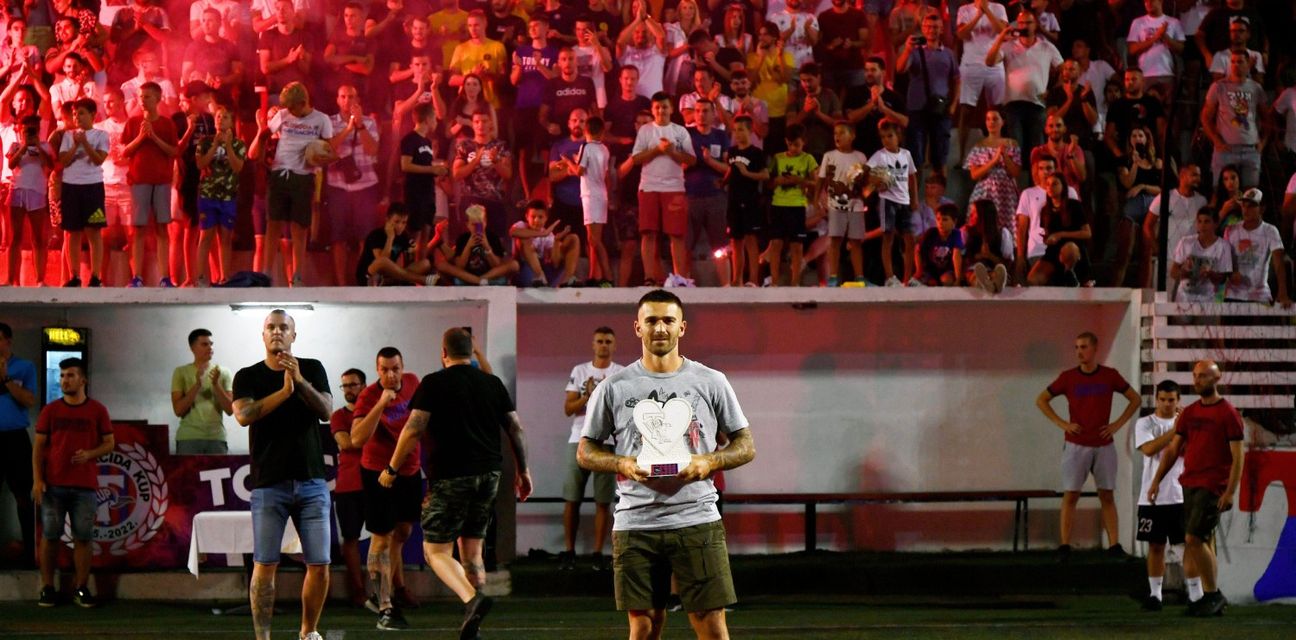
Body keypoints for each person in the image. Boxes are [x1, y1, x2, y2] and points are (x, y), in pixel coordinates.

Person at [577, 289, 756, 640]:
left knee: (711, 625)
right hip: (635, 523)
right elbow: (585, 451)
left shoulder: (711, 381)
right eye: (652, 321)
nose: (660, 328)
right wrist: (622, 464)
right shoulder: (613, 387)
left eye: (668, 320)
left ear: (682, 327)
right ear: (638, 328)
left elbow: (746, 445)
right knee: (644, 627)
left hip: (697, 520)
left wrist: (710, 461)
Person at [382, 327, 534, 640]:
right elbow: (516, 428)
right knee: (472, 551)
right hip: (489, 476)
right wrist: (524, 470)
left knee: (435, 552)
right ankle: (474, 625)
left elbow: (413, 429)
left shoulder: (433, 383)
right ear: (470, 351)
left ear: (444, 353)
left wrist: (392, 468)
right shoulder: (491, 383)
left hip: (451, 476)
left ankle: (471, 599)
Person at [232, 310, 333, 640]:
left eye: (284, 327)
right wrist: (284, 392)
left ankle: (308, 633)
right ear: (263, 335)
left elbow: (327, 411)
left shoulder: (312, 368)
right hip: (269, 484)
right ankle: (263, 637)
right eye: (271, 327)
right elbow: (244, 415)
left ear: (294, 335)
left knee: (319, 564)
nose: (277, 332)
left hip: (311, 481)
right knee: (265, 564)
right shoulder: (248, 376)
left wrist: (299, 382)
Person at [1148, 360, 1244, 617]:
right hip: (1189, 483)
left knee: (1193, 538)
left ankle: (1213, 595)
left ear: (1217, 378)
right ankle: (1208, 596)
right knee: (1200, 541)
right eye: (1195, 375)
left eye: (1203, 376)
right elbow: (1173, 450)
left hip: (1212, 485)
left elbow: (1238, 456)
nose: (1198, 380)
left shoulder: (1228, 413)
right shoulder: (1190, 413)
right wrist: (1157, 480)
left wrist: (1230, 491)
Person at [1035, 331, 1141, 560]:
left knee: (1107, 495)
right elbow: (1041, 399)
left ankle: (1114, 545)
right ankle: (1065, 545)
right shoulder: (1068, 377)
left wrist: (1117, 425)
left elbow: (1135, 399)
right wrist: (1062, 423)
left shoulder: (1110, 376)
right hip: (1076, 445)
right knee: (1071, 495)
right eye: (1076, 347)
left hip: (1104, 445)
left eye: (1083, 347)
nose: (1079, 352)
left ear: (1095, 349)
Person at [33, 357, 113, 608]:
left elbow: (109, 443)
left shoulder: (98, 410)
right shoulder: (50, 410)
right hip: (53, 485)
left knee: (83, 537)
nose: (65, 380)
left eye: (70, 375)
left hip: (85, 486)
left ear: (83, 380)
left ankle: (81, 588)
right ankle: (47, 587)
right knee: (50, 536)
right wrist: (37, 479)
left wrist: (90, 454)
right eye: (62, 375)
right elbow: (38, 448)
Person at [351, 347, 422, 630]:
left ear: (403, 368)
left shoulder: (414, 383)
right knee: (381, 537)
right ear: (377, 370)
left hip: (409, 469)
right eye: (385, 370)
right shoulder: (368, 396)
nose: (391, 375)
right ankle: (384, 603)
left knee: (403, 532)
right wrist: (381, 403)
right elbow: (356, 439)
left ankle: (390, 587)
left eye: (395, 369)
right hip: (378, 473)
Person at [559, 327, 624, 571]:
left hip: (606, 442)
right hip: (579, 439)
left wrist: (601, 396)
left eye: (608, 341)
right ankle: (569, 551)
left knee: (603, 501)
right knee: (572, 498)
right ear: (593, 344)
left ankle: (597, 552)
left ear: (614, 345)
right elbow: (568, 409)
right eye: (600, 341)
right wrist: (588, 396)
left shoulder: (620, 373)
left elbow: (622, 409)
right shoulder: (580, 371)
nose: (604, 345)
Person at [266, 82, 334, 287]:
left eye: (292, 107)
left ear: (303, 103)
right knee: (273, 225)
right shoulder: (283, 115)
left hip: (304, 176)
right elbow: (265, 135)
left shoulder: (322, 119)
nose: (289, 110)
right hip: (280, 173)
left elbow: (329, 149)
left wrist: (319, 158)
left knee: (300, 227)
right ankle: (266, 273)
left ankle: (297, 276)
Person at [631, 92, 695, 286]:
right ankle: (649, 278)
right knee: (648, 233)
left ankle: (680, 279)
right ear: (652, 110)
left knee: (676, 234)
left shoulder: (680, 131)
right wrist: (657, 150)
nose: (661, 110)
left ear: (672, 109)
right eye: (657, 107)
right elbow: (636, 159)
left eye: (665, 107)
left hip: (674, 187)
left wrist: (672, 152)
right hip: (649, 187)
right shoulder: (645, 131)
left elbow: (691, 159)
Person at [985, 9, 1062, 167]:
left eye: (1028, 23)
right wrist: (1001, 37)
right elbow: (989, 61)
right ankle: (1017, 181)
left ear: (1035, 25)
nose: (1024, 26)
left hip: (1037, 104)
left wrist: (1052, 91)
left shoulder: (1046, 47)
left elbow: (1063, 69)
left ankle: (1037, 181)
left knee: (1037, 148)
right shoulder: (1008, 46)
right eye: (1021, 23)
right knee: (1015, 147)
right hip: (1013, 104)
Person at [1134, 379, 1184, 612]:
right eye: (1162, 399)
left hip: (1179, 493)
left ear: (1178, 400)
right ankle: (1155, 594)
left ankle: (1196, 592)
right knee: (1155, 545)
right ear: (1156, 400)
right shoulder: (1145, 423)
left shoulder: (1187, 422)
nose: (1166, 404)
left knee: (1186, 546)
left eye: (1171, 400)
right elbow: (1148, 449)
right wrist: (1175, 431)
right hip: (1152, 496)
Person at [121, 83, 177, 288]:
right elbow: (124, 151)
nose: (143, 101)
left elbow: (174, 151)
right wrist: (141, 137)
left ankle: (165, 277)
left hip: (161, 181)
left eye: (147, 97)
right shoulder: (133, 122)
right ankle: (137, 277)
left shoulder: (167, 124)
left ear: (158, 99)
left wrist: (154, 137)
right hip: (139, 180)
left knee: (162, 228)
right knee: (139, 229)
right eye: (140, 97)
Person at [325, 85, 380, 287]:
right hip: (337, 185)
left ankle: (362, 282)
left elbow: (373, 150)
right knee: (338, 237)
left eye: (351, 97)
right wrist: (348, 128)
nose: (347, 100)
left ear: (358, 100)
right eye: (343, 97)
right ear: (337, 99)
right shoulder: (329, 122)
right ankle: (341, 285)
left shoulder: (369, 122)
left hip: (365, 185)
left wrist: (360, 125)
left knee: (366, 237)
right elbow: (327, 147)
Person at [896, 13, 957, 175]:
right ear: (922, 29)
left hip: (940, 108)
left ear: (941, 29)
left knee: (940, 156)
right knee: (915, 156)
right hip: (917, 107)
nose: (931, 30)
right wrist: (907, 50)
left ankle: (940, 189)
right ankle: (915, 190)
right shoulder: (914, 51)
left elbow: (957, 79)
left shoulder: (948, 53)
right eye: (928, 27)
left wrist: (953, 104)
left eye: (935, 27)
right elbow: (900, 68)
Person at [58, 98, 109, 288]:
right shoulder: (68, 135)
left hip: (92, 185)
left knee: (94, 231)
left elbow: (98, 159)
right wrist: (75, 145)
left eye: (81, 113)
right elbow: (63, 161)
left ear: (92, 115)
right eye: (74, 114)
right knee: (73, 232)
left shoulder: (101, 135)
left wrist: (85, 143)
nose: (77, 117)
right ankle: (75, 276)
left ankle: (96, 276)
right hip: (71, 186)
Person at [1201, 50, 1270, 191]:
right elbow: (1206, 117)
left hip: (1250, 148)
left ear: (1248, 64)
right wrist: (1216, 140)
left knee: (1251, 193)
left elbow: (1268, 118)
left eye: (1240, 61)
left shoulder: (1256, 88)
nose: (1235, 65)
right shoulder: (1219, 86)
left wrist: (1263, 142)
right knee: (1219, 190)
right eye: (1232, 62)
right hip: (1226, 148)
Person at [194, 105, 246, 287]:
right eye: (218, 117)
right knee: (205, 236)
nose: (220, 120)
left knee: (225, 237)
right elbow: (200, 164)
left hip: (228, 196)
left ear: (231, 122)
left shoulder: (239, 144)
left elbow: (238, 167)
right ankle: (201, 277)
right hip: (208, 195)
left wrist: (228, 146)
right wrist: (215, 145)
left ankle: (224, 277)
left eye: (225, 117)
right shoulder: (204, 142)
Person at [0, 322, 37, 569]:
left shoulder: (24, 367)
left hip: (15, 439)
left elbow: (29, 400)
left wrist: (5, 378)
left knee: (24, 496)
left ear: (8, 341)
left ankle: (30, 553)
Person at [330, 367, 368, 608]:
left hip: (376, 483)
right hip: (348, 485)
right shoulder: (338, 416)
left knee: (388, 537)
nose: (348, 389)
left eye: (353, 384)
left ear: (364, 386)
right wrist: (367, 438)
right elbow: (346, 443)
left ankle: (392, 589)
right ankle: (358, 590)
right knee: (350, 538)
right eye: (344, 385)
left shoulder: (376, 412)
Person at [865, 119, 918, 286]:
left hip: (904, 201)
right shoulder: (880, 155)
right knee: (888, 237)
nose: (886, 140)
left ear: (898, 136)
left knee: (909, 239)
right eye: (883, 137)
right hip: (887, 200)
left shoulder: (906, 154)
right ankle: (890, 277)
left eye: (890, 136)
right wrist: (876, 182)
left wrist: (915, 198)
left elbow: (912, 177)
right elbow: (866, 172)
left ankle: (908, 279)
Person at [818, 122, 869, 286]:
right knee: (835, 240)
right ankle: (833, 277)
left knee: (856, 241)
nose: (837, 136)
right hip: (835, 204)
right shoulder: (829, 156)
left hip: (856, 204)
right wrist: (817, 198)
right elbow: (821, 179)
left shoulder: (860, 157)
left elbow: (865, 181)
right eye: (835, 133)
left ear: (852, 136)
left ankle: (859, 276)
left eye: (841, 133)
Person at [768, 124, 817, 287]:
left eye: (797, 144)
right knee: (776, 244)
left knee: (797, 245)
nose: (793, 148)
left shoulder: (808, 159)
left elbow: (816, 183)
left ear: (804, 142)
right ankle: (774, 281)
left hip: (797, 205)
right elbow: (767, 182)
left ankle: (795, 281)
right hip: (778, 204)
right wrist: (777, 181)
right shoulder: (777, 158)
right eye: (790, 144)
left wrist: (799, 180)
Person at [1144, 165, 1206, 292]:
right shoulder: (1165, 197)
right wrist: (1158, 250)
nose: (1198, 179)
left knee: (1187, 301)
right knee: (1163, 300)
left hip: (1191, 263)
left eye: (1199, 176)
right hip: (1168, 260)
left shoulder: (1201, 201)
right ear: (1182, 175)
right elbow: (1147, 225)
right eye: (1194, 175)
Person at [171, 329, 233, 454]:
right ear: (192, 348)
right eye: (205, 344)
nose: (210, 347)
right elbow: (178, 410)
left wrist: (216, 384)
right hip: (188, 438)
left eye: (211, 344)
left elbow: (230, 410)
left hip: (216, 438)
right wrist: (197, 385)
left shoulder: (223, 372)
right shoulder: (181, 372)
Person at [1223, 189, 1289, 306]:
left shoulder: (1270, 231)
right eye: (1244, 205)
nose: (1246, 209)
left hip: (1259, 295)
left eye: (1251, 206)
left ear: (1262, 209)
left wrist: (1283, 292)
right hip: (1233, 294)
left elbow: (1279, 263)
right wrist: (1230, 273)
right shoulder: (1230, 230)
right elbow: (1223, 261)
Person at [723, 115, 768, 287]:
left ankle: (753, 279)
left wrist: (747, 173)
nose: (737, 134)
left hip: (750, 200)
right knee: (735, 240)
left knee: (750, 239)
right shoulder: (732, 151)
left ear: (750, 131)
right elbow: (731, 170)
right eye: (735, 130)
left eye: (741, 130)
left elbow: (765, 175)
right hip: (733, 200)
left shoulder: (756, 153)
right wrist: (723, 181)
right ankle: (737, 279)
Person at [684, 99, 730, 264]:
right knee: (685, 246)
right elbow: (678, 164)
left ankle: (726, 280)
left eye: (705, 111)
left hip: (715, 196)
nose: (701, 115)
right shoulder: (686, 134)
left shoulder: (721, 136)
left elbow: (728, 168)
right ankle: (683, 278)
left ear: (713, 114)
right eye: (697, 111)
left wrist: (710, 161)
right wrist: (688, 161)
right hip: (690, 196)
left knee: (721, 247)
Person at [1027, 172, 1092, 287]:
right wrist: (1047, 240)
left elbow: (1087, 233)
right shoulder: (1045, 210)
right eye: (1048, 184)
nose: (1050, 187)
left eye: (1055, 184)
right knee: (1032, 279)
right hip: (1053, 251)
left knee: (1069, 249)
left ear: (1063, 186)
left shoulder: (1074, 205)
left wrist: (1061, 234)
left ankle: (1071, 274)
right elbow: (1048, 235)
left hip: (1072, 248)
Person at [964, 108, 1021, 233]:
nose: (991, 122)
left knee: (1007, 227)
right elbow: (974, 174)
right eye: (988, 119)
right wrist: (994, 160)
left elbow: (1016, 172)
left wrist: (1004, 156)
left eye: (995, 119)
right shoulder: (979, 145)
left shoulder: (1011, 143)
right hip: (984, 191)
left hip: (1006, 191)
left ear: (1002, 122)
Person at [356, 204, 442, 287]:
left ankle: (390, 281)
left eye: (404, 222)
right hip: (369, 276)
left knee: (425, 263)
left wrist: (435, 239)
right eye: (396, 222)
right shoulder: (376, 235)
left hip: (388, 276)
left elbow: (414, 253)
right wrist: (390, 238)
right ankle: (422, 280)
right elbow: (382, 263)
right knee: (383, 261)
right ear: (387, 220)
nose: (400, 226)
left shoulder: (403, 236)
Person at [1126, 0, 1184, 110]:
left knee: (1167, 109)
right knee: (1144, 110)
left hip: (1167, 73)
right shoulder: (1138, 22)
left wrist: (1165, 36)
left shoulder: (1173, 22)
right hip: (1145, 74)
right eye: (1146, 1)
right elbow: (1132, 49)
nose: (1148, 3)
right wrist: (1155, 37)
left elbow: (1181, 48)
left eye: (1152, 0)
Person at [511, 200, 582, 287]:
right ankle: (539, 276)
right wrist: (542, 234)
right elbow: (513, 232)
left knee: (573, 238)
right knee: (525, 240)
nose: (536, 220)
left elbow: (555, 263)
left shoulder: (549, 235)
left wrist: (556, 242)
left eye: (540, 217)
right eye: (533, 217)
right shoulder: (521, 225)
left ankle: (568, 279)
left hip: (545, 273)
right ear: (527, 217)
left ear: (546, 218)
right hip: (524, 268)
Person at [446, 204, 520, 285]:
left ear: (485, 222)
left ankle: (479, 280)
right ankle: (477, 280)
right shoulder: (462, 239)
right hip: (468, 275)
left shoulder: (493, 237)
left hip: (490, 275)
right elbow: (460, 266)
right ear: (467, 225)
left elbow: (497, 265)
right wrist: (468, 246)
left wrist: (487, 246)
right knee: (444, 266)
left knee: (514, 265)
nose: (477, 228)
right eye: (474, 225)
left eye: (480, 225)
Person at [578, 116, 613, 285]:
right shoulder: (605, 149)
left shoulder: (586, 147)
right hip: (601, 194)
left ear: (586, 130)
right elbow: (605, 174)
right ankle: (594, 276)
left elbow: (579, 171)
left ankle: (608, 277)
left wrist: (568, 161)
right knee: (593, 238)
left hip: (590, 195)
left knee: (594, 240)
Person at [1171, 207, 1231, 304]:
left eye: (1207, 222)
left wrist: (1210, 274)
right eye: (1199, 221)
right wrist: (1185, 273)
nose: (1202, 225)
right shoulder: (1186, 242)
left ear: (1216, 224)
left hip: (1208, 301)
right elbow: (1173, 272)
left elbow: (1222, 279)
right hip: (1184, 300)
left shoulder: (1224, 246)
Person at [913, 202, 963, 287]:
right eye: (938, 219)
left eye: (945, 219)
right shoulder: (931, 233)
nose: (940, 223)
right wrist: (919, 270)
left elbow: (956, 255)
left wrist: (958, 279)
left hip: (947, 270)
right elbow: (918, 250)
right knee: (916, 283)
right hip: (930, 270)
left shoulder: (956, 234)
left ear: (954, 221)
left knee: (946, 280)